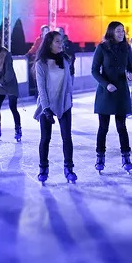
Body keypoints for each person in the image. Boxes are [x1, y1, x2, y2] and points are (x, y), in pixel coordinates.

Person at [91, 21, 132, 173]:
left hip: (121, 92)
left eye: (123, 31)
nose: (121, 33)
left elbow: (130, 68)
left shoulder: (126, 48)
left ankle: (126, 156)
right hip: (106, 92)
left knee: (121, 127)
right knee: (103, 127)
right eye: (118, 31)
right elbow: (94, 70)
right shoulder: (102, 48)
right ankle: (100, 156)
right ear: (111, 32)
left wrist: (130, 75)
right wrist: (106, 84)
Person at [33, 30, 76, 184]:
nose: (60, 44)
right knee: (45, 138)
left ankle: (69, 168)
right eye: (57, 41)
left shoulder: (65, 59)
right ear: (49, 44)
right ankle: (43, 168)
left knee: (67, 137)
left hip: (64, 103)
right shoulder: (41, 63)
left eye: (61, 41)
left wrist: (70, 98)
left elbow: (69, 82)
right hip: (47, 104)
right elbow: (41, 89)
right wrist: (46, 108)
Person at [0, 35, 22, 142]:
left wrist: (2, 81)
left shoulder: (5, 54)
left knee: (12, 107)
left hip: (10, 84)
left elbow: (9, 72)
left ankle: (18, 130)